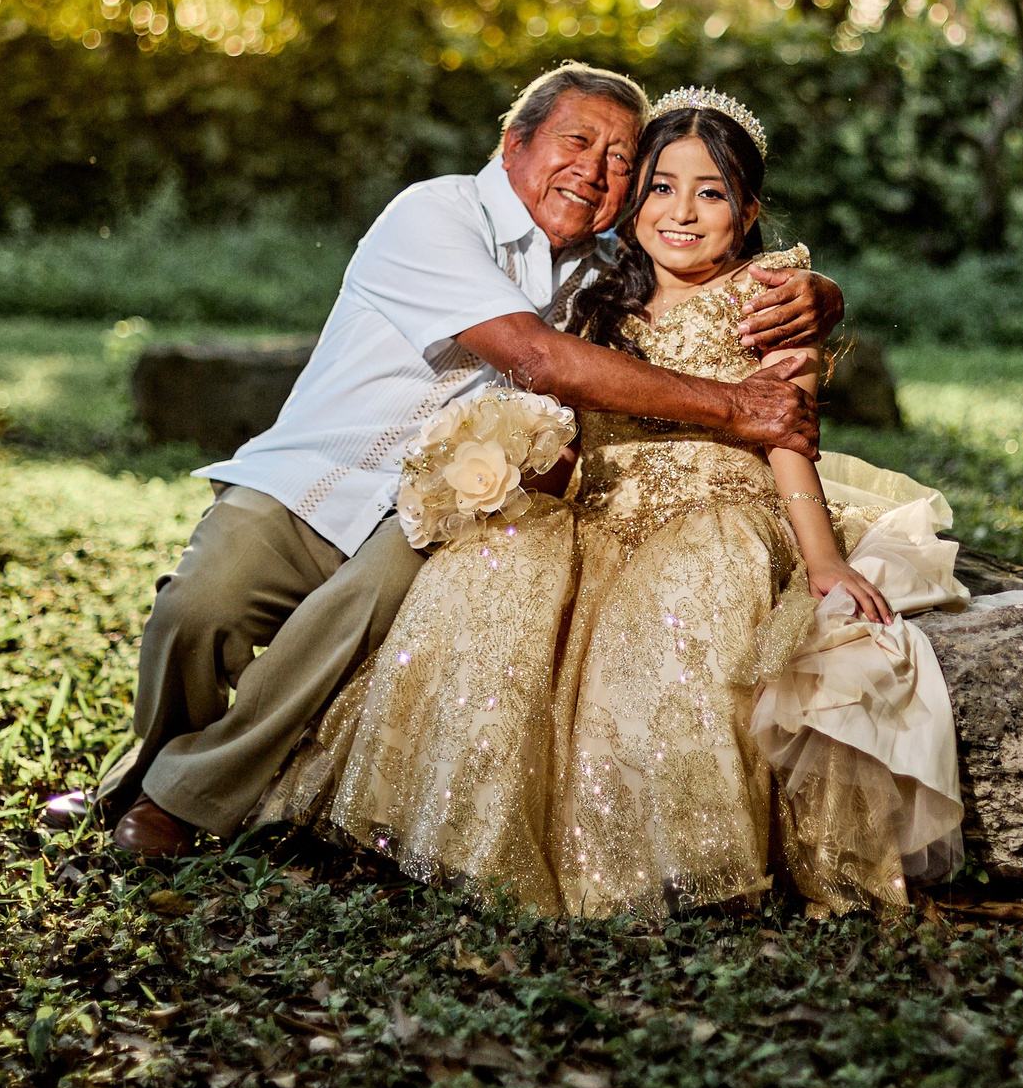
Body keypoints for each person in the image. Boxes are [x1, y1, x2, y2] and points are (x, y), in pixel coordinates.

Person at [45, 64, 847, 858]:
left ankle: (181, 800)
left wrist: (820, 290)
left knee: (373, 595)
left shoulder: (606, 257)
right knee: (199, 605)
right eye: (577, 141)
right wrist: (733, 406)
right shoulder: (434, 214)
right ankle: (148, 772)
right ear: (514, 141)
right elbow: (537, 359)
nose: (595, 171)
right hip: (317, 477)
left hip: (437, 509)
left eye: (617, 161)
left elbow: (701, 248)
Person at [261, 90, 962, 914]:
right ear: (632, 204)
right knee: (487, 573)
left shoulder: (768, 294)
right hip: (595, 517)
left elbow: (788, 439)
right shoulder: (596, 288)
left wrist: (824, 559)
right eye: (661, 186)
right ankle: (462, 824)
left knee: (669, 606)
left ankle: (663, 858)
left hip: (713, 512)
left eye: (712, 193)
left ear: (750, 209)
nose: (684, 213)